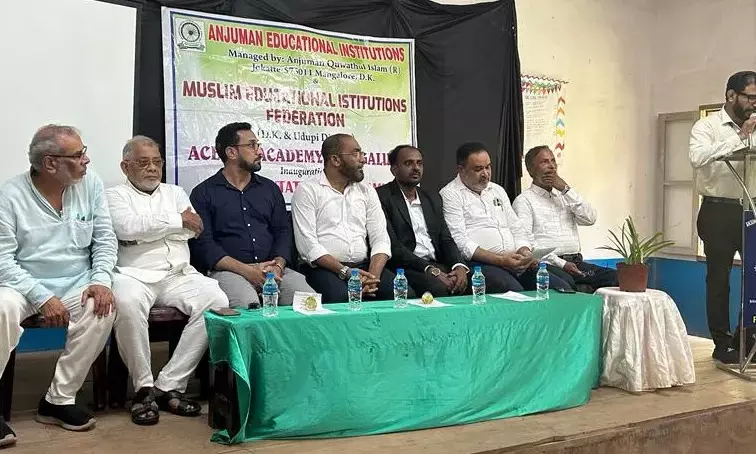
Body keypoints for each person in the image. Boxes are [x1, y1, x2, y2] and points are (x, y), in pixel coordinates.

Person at [0, 125, 117, 444]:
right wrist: (41, 296)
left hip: (76, 281)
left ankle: (58, 399)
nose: (86, 160)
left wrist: (100, 280)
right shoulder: (10, 196)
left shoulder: (90, 184)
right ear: (50, 163)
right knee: (2, 307)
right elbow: (3, 261)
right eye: (78, 155)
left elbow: (105, 239)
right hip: (23, 285)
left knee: (102, 306)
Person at [107, 136, 230, 426]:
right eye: (143, 162)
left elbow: (195, 228)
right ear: (125, 167)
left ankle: (169, 385)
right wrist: (176, 221)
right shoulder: (113, 196)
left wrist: (148, 231)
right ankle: (143, 388)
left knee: (216, 300)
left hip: (178, 274)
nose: (152, 168)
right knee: (126, 302)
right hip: (134, 275)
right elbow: (127, 229)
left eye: (157, 162)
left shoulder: (175, 192)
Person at [190, 123, 313, 308]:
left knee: (307, 302)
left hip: (274, 271)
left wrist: (278, 266)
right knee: (247, 305)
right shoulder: (204, 193)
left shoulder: (269, 189)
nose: (259, 151)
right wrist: (247, 271)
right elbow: (205, 245)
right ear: (231, 152)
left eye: (258, 145)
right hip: (230, 272)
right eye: (252, 145)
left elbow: (283, 232)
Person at [292, 134, 415, 303]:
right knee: (342, 298)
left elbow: (380, 238)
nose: (363, 159)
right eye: (356, 154)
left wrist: (372, 278)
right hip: (325, 268)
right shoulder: (308, 190)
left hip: (364, 268)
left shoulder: (366, 191)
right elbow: (308, 246)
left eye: (362, 153)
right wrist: (346, 272)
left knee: (404, 294)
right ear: (335, 160)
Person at [440, 142, 572, 293]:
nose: (485, 174)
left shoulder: (497, 190)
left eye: (488, 167)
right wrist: (501, 260)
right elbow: (460, 242)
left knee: (561, 287)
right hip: (481, 264)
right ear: (461, 169)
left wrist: (525, 253)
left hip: (514, 261)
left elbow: (516, 228)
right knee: (515, 291)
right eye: (478, 169)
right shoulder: (450, 194)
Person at [690, 70, 756, 364]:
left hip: (751, 208)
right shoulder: (707, 126)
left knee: (754, 276)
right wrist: (741, 137)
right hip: (718, 210)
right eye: (750, 97)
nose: (755, 103)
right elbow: (697, 157)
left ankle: (748, 340)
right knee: (719, 279)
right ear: (731, 95)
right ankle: (722, 342)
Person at [513, 145, 617, 291]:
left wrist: (565, 189)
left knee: (617, 278)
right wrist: (562, 264)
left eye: (553, 161)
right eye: (544, 162)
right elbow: (527, 244)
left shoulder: (564, 197)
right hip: (549, 265)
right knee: (567, 284)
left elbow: (590, 218)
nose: (551, 166)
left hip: (576, 263)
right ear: (531, 170)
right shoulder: (524, 201)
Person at [377, 145, 468, 297]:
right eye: (408, 163)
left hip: (437, 264)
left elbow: (445, 238)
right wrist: (430, 269)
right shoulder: (382, 197)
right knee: (440, 289)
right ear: (394, 169)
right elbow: (394, 247)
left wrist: (459, 266)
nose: (416, 168)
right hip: (407, 267)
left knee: (473, 282)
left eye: (419, 163)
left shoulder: (432, 197)